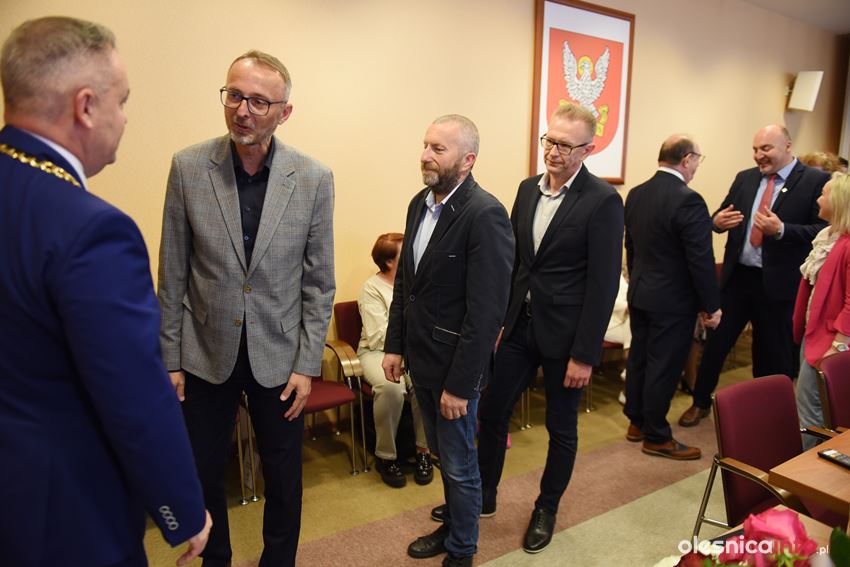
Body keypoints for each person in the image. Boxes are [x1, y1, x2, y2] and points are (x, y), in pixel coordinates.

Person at [0, 16, 211, 567]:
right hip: (60, 512)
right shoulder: (91, 229)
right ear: (86, 106)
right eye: (122, 101)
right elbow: (132, 392)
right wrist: (183, 508)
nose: (125, 117)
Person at [158, 50, 335, 567]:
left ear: (284, 112)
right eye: (234, 95)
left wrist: (307, 364)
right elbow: (172, 272)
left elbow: (319, 283)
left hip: (279, 358)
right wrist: (170, 359)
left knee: (283, 475)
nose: (243, 110)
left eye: (259, 101)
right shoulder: (189, 167)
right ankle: (216, 559)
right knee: (203, 471)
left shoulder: (313, 177)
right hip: (204, 352)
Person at [472, 103, 624, 554]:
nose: (553, 151)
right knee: (492, 410)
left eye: (565, 145)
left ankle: (546, 508)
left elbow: (603, 284)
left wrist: (585, 354)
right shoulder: (527, 189)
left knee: (561, 427)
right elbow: (516, 261)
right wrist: (500, 321)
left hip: (567, 336)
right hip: (520, 327)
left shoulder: (602, 200)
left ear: (588, 149)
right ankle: (483, 495)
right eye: (550, 141)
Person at [382, 114, 514, 567]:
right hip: (422, 358)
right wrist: (395, 344)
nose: (425, 155)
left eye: (438, 149)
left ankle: (462, 548)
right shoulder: (419, 203)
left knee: (459, 464)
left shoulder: (485, 214)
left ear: (467, 160)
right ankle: (455, 525)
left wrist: (460, 385)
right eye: (425, 145)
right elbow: (407, 284)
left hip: (456, 369)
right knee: (442, 456)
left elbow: (487, 312)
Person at [680, 125, 829, 427]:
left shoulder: (815, 181)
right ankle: (700, 402)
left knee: (771, 353)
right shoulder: (745, 178)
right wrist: (717, 222)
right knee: (716, 346)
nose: (759, 155)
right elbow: (722, 214)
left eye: (766, 149)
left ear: (787, 146)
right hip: (738, 280)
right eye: (755, 149)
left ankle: (767, 412)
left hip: (779, 284)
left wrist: (783, 230)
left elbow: (823, 230)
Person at [623, 135, 721, 460]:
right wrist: (711, 305)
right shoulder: (689, 200)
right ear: (687, 159)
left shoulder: (636, 193)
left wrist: (637, 281)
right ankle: (656, 435)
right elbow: (700, 259)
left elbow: (631, 246)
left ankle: (636, 422)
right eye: (698, 160)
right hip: (673, 300)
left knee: (639, 359)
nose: (697, 167)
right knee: (663, 366)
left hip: (641, 292)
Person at [357, 232, 432, 488]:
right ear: (389, 262)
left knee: (425, 382)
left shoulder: (414, 284)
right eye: (405, 254)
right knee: (391, 387)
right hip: (376, 352)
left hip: (411, 351)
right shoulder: (371, 288)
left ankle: (423, 452)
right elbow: (378, 335)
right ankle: (386, 457)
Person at [793, 172, 850, 448]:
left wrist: (838, 346)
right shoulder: (827, 237)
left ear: (838, 201)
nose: (818, 199)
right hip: (815, 332)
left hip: (830, 342)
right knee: (811, 405)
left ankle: (805, 471)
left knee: (810, 411)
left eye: (824, 194)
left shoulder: (847, 245)